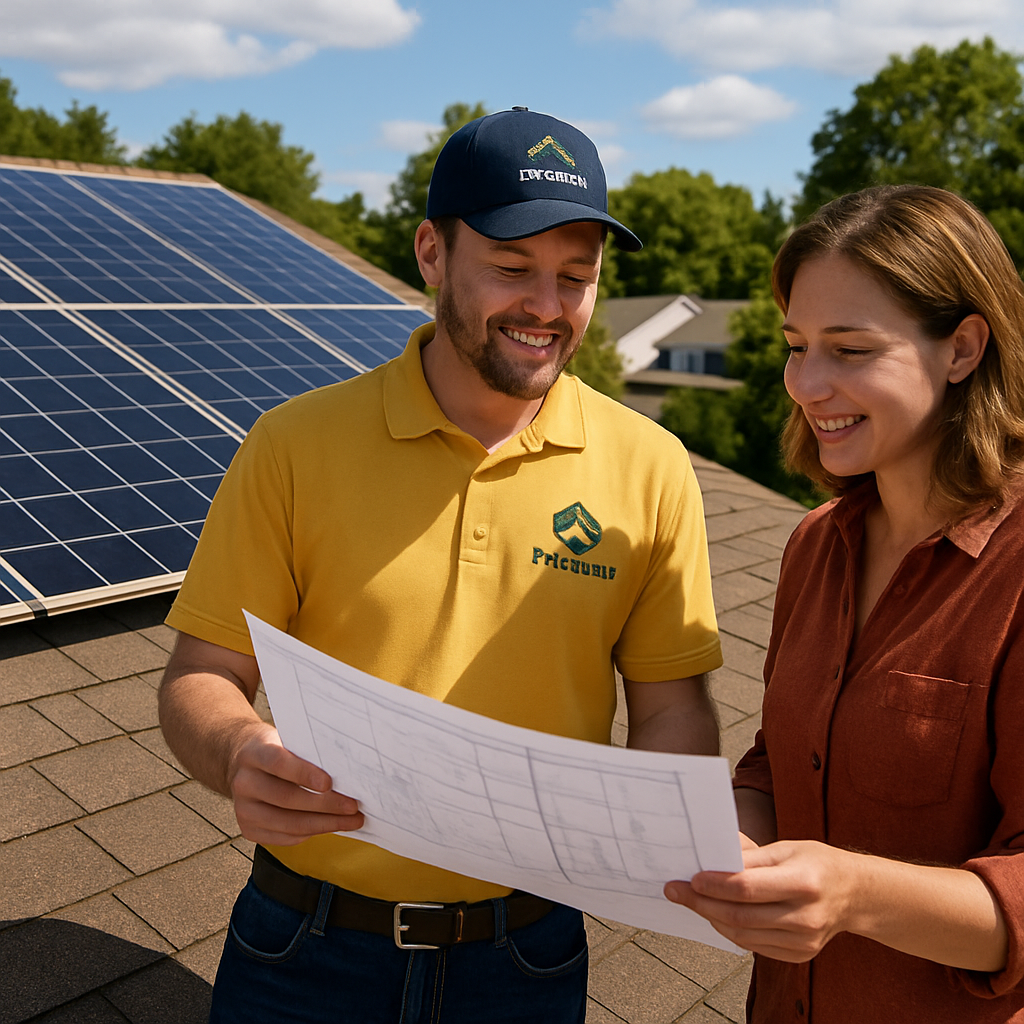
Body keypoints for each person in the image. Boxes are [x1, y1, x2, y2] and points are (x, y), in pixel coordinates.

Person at [158, 107, 723, 1024]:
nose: (547, 305)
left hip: (527, 960)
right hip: (305, 947)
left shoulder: (652, 466)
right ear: (430, 252)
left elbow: (672, 707)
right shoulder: (294, 446)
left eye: (575, 277)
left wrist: (667, 829)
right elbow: (201, 676)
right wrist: (238, 751)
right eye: (511, 268)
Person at [665, 184, 1024, 1022]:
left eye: (850, 350)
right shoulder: (815, 545)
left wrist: (854, 893)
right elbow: (778, 762)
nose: (807, 384)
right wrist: (735, 833)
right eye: (796, 347)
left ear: (963, 349)